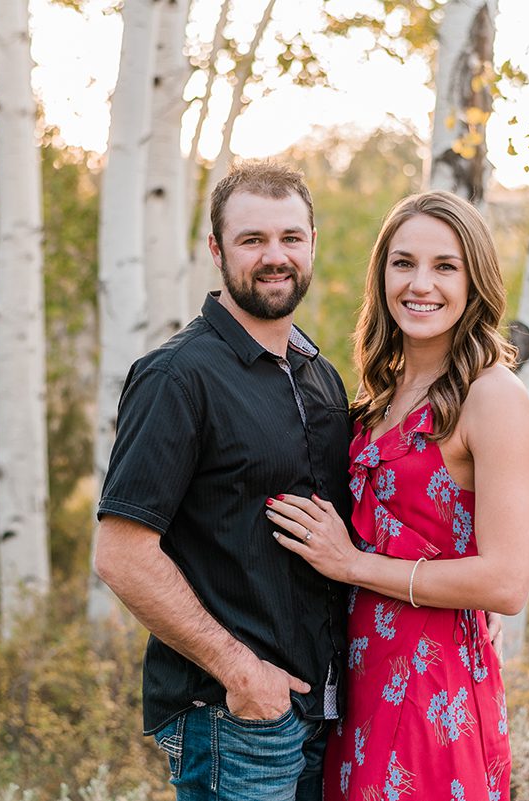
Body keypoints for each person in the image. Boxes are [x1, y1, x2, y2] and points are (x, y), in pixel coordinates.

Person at [93, 160, 353, 801]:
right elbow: (121, 555)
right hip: (236, 717)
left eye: (291, 238)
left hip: (321, 714)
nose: (276, 257)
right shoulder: (176, 377)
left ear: (313, 244)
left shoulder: (318, 374)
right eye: (252, 240)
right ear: (216, 250)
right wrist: (240, 671)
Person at [265, 191, 529, 801]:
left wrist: (354, 565)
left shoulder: (493, 396)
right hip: (357, 680)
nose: (421, 284)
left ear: (476, 280)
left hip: (431, 690)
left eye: (445, 266)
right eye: (403, 262)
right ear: (381, 273)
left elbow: (506, 583)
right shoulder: (380, 394)